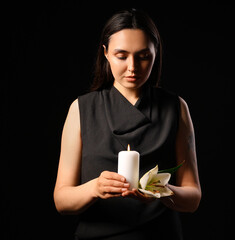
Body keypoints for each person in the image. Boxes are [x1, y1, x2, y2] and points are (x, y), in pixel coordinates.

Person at [54, 9, 201, 240]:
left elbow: (193, 197)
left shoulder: (176, 108)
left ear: (155, 53)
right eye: (121, 56)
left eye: (143, 56)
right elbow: (61, 200)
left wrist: (160, 190)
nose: (132, 67)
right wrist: (94, 188)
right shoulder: (81, 109)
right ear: (106, 54)